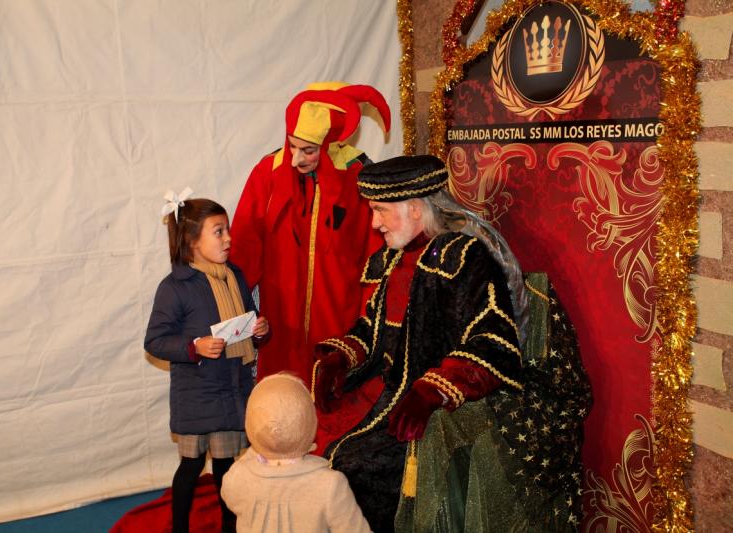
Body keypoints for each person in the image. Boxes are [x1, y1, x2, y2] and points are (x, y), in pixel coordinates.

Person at [313, 155, 590, 532]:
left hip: (436, 409)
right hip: (387, 395)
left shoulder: (463, 258)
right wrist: (341, 358)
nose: (374, 223)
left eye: (379, 210)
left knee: (356, 467)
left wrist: (431, 392)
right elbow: (373, 328)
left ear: (414, 209)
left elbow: (493, 341)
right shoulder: (394, 261)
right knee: (320, 444)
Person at [229, 82, 389, 386]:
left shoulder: (358, 177)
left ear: (329, 146)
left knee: (332, 396)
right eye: (291, 145)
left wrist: (369, 322)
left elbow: (376, 255)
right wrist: (232, 308)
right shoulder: (268, 173)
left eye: (308, 150)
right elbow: (245, 247)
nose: (295, 159)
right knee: (280, 401)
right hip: (280, 321)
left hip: (338, 317)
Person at [144, 192, 269, 533]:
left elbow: (249, 319)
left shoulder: (235, 276)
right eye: (218, 231)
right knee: (191, 464)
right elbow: (154, 341)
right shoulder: (175, 287)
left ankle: (230, 526)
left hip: (232, 388)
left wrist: (259, 330)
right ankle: (179, 528)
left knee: (227, 467)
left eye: (227, 230)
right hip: (197, 393)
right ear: (191, 241)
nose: (228, 238)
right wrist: (194, 346)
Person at [221, 373, 371, 533]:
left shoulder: (240, 476)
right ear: (310, 421)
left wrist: (262, 440)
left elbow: (229, 496)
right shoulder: (330, 484)